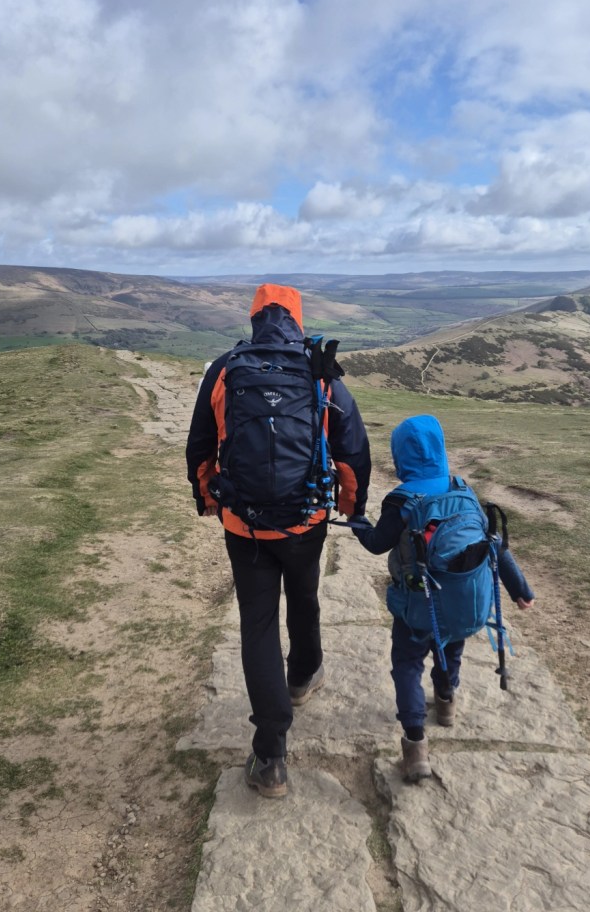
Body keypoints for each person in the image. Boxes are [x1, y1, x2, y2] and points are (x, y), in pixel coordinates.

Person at [185, 284, 371, 798]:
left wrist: (209, 500)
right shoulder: (318, 370)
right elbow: (352, 446)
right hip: (304, 520)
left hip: (243, 525)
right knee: (305, 595)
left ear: (254, 319)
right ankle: (304, 675)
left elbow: (200, 443)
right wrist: (352, 509)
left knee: (258, 623)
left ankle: (270, 756)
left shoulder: (226, 368)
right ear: (296, 318)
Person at [349, 414, 534, 782]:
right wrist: (521, 591)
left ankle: (415, 745)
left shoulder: (401, 500)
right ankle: (446, 703)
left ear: (401, 457)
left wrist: (356, 519)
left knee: (407, 665)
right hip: (464, 605)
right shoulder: (462, 489)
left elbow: (375, 544)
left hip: (417, 609)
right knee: (451, 650)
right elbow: (495, 544)